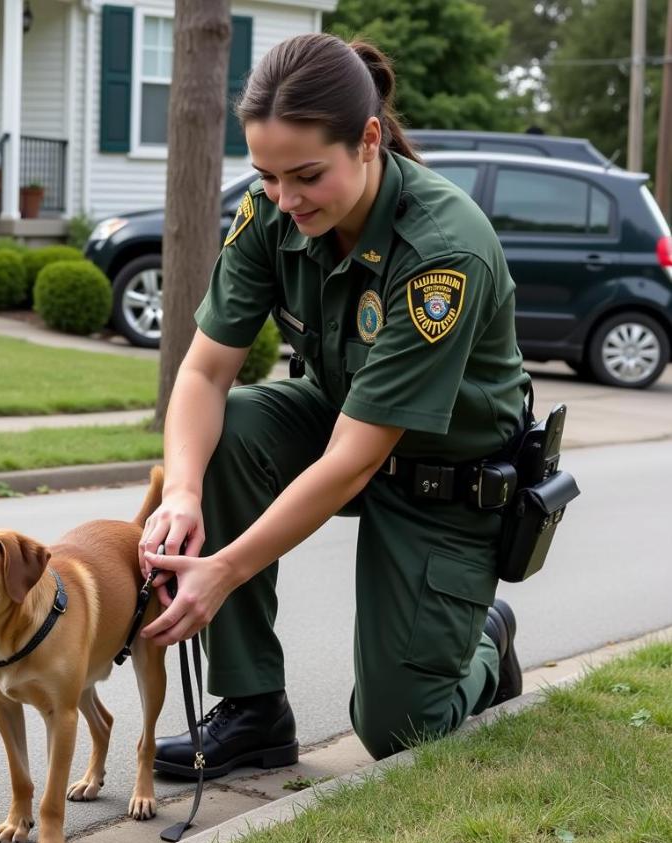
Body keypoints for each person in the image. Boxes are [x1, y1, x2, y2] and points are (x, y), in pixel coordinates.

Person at [137, 32, 529, 777]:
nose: (286, 199)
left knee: (399, 730)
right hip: (338, 420)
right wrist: (183, 494)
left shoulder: (442, 252)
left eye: (307, 175)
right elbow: (202, 375)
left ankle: (487, 642)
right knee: (233, 428)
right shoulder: (272, 214)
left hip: (443, 480)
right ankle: (253, 711)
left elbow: (354, 462)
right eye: (267, 175)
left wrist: (222, 570)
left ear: (369, 140)